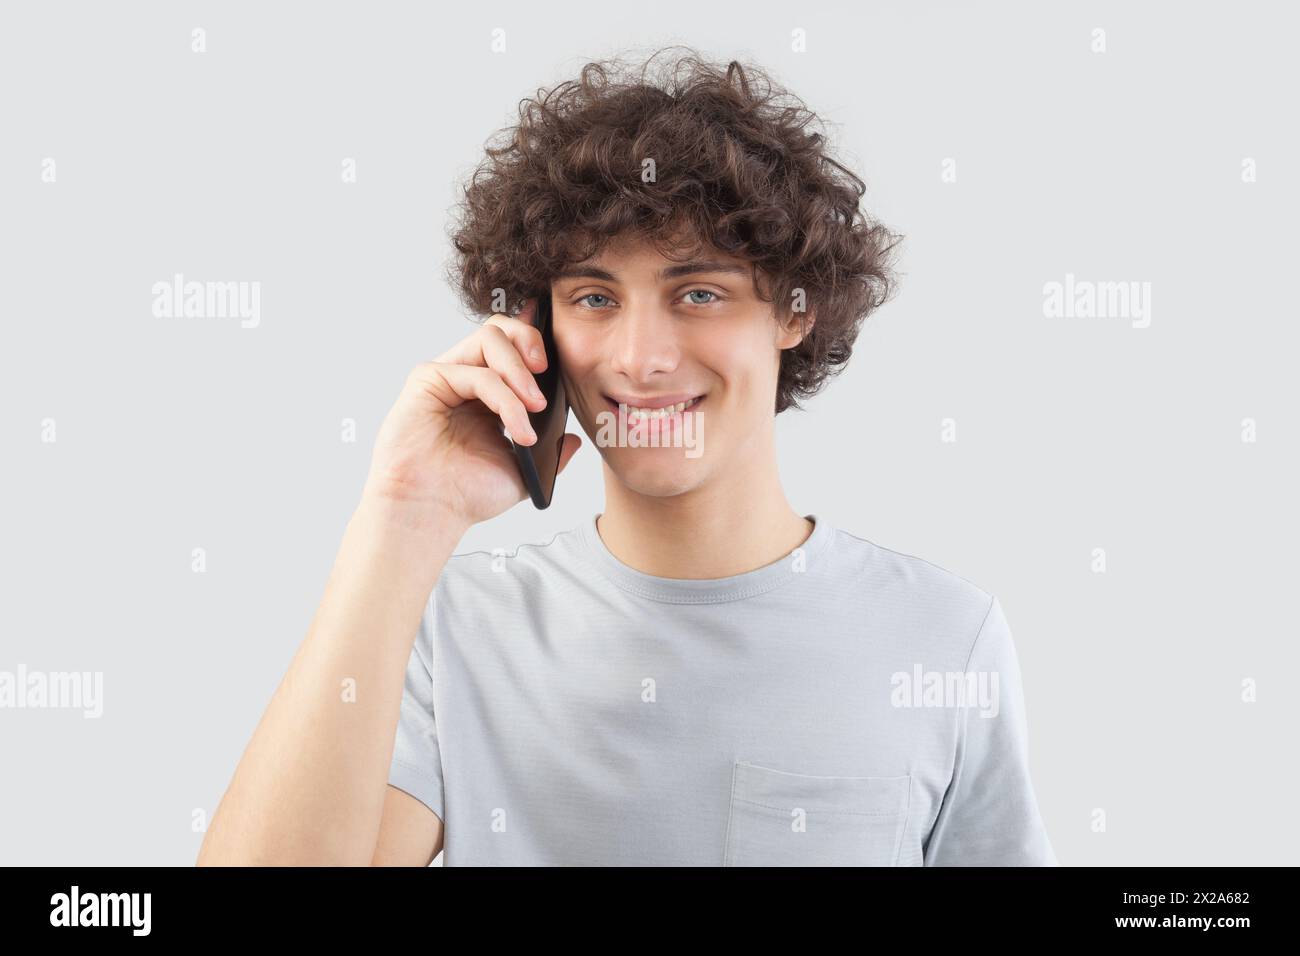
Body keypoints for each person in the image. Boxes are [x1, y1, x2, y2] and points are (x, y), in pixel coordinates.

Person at [197, 48, 1056, 867]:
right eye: (594, 297)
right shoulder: (452, 631)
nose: (640, 357)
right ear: (538, 329)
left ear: (795, 313)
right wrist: (401, 515)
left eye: (699, 293)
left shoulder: (946, 640)